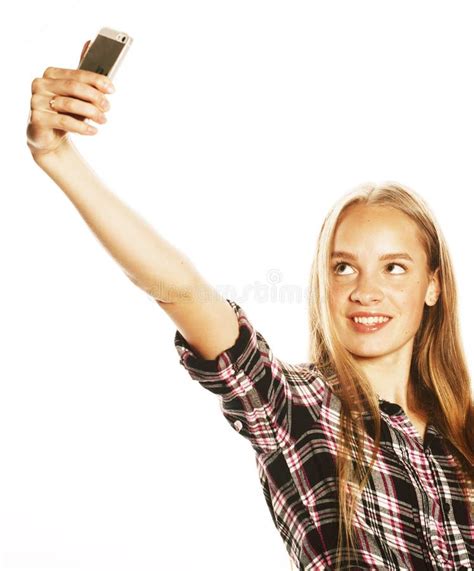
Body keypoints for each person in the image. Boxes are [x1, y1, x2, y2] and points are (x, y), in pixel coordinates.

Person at [27, 41, 473, 571]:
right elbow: (182, 290)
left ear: (433, 285)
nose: (365, 292)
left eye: (394, 268)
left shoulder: (464, 436)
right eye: (344, 267)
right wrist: (58, 158)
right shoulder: (297, 409)